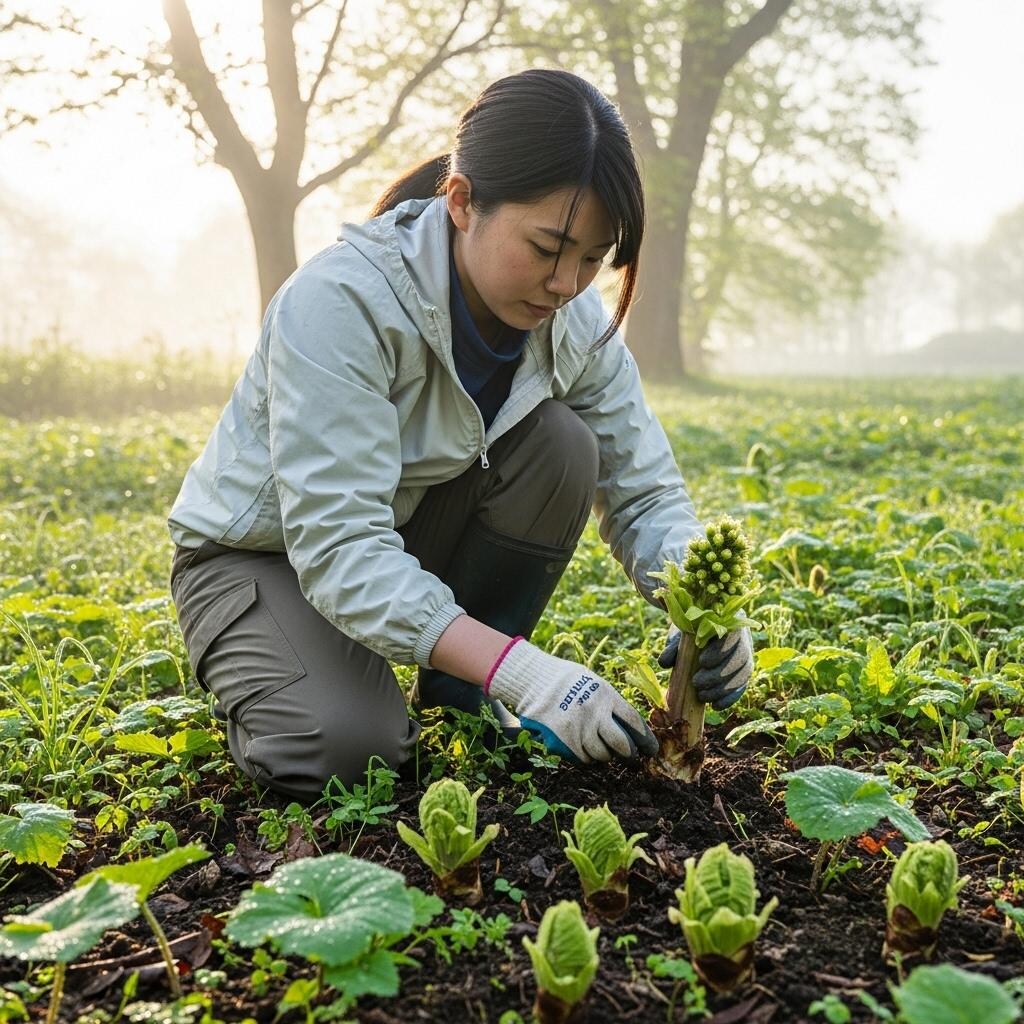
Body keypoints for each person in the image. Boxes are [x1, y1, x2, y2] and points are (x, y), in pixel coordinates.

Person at [167, 68, 753, 802]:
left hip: (401, 530)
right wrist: (525, 671)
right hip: (264, 557)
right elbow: (339, 544)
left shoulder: (570, 320)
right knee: (348, 750)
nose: (566, 283)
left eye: (592, 258)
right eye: (547, 247)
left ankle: (459, 692)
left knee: (564, 444)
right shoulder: (342, 303)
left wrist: (704, 605)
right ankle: (299, 674)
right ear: (463, 201)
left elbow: (645, 490)